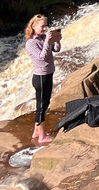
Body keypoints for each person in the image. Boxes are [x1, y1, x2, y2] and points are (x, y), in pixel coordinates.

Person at [25, 14, 61, 145]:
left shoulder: (44, 37)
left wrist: (57, 40)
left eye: (45, 26)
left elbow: (56, 49)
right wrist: (47, 42)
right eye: (42, 26)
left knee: (45, 104)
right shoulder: (31, 43)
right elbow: (42, 57)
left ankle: (36, 131)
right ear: (33, 26)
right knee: (40, 107)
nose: (44, 29)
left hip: (49, 74)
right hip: (40, 77)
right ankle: (42, 136)